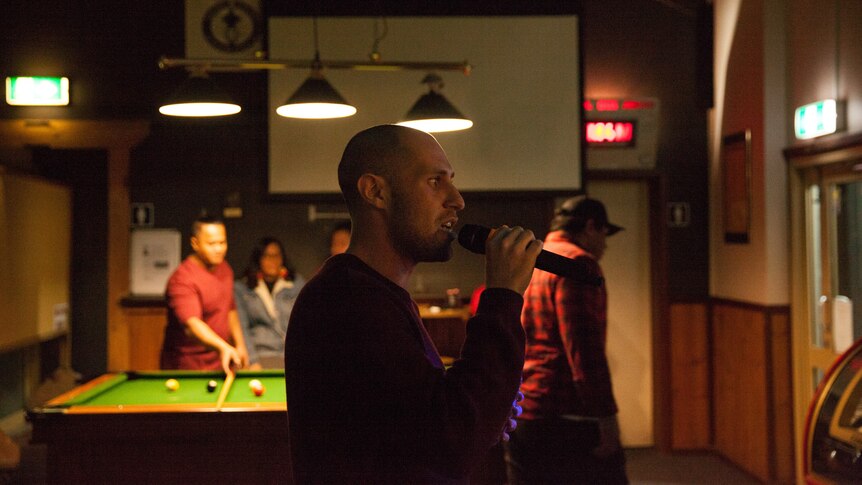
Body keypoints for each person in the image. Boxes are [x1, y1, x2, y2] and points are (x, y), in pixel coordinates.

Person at [284, 124, 542, 484]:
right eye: (435, 181)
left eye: (451, 180)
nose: (457, 199)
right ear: (376, 191)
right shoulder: (348, 301)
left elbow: (416, 421)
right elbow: (450, 440)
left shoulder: (370, 293)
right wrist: (502, 296)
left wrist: (484, 405)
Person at [504, 196, 628, 484]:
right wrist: (606, 418)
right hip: (566, 416)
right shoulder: (577, 264)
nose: (605, 245)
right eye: (604, 234)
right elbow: (583, 347)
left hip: (525, 409)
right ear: (590, 226)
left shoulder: (535, 258)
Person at [160, 215, 250, 374]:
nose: (219, 249)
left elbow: (230, 309)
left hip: (221, 362)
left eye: (222, 242)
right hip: (188, 368)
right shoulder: (182, 279)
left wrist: (240, 345)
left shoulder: (225, 269)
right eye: (211, 243)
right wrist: (224, 347)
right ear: (195, 243)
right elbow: (192, 326)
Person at [234, 237, 305, 369]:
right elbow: (242, 327)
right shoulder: (242, 288)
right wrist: (252, 361)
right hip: (261, 356)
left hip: (291, 357)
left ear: (282, 258)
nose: (272, 260)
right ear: (258, 259)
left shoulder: (296, 284)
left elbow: (305, 324)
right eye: (267, 256)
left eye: (276, 255)